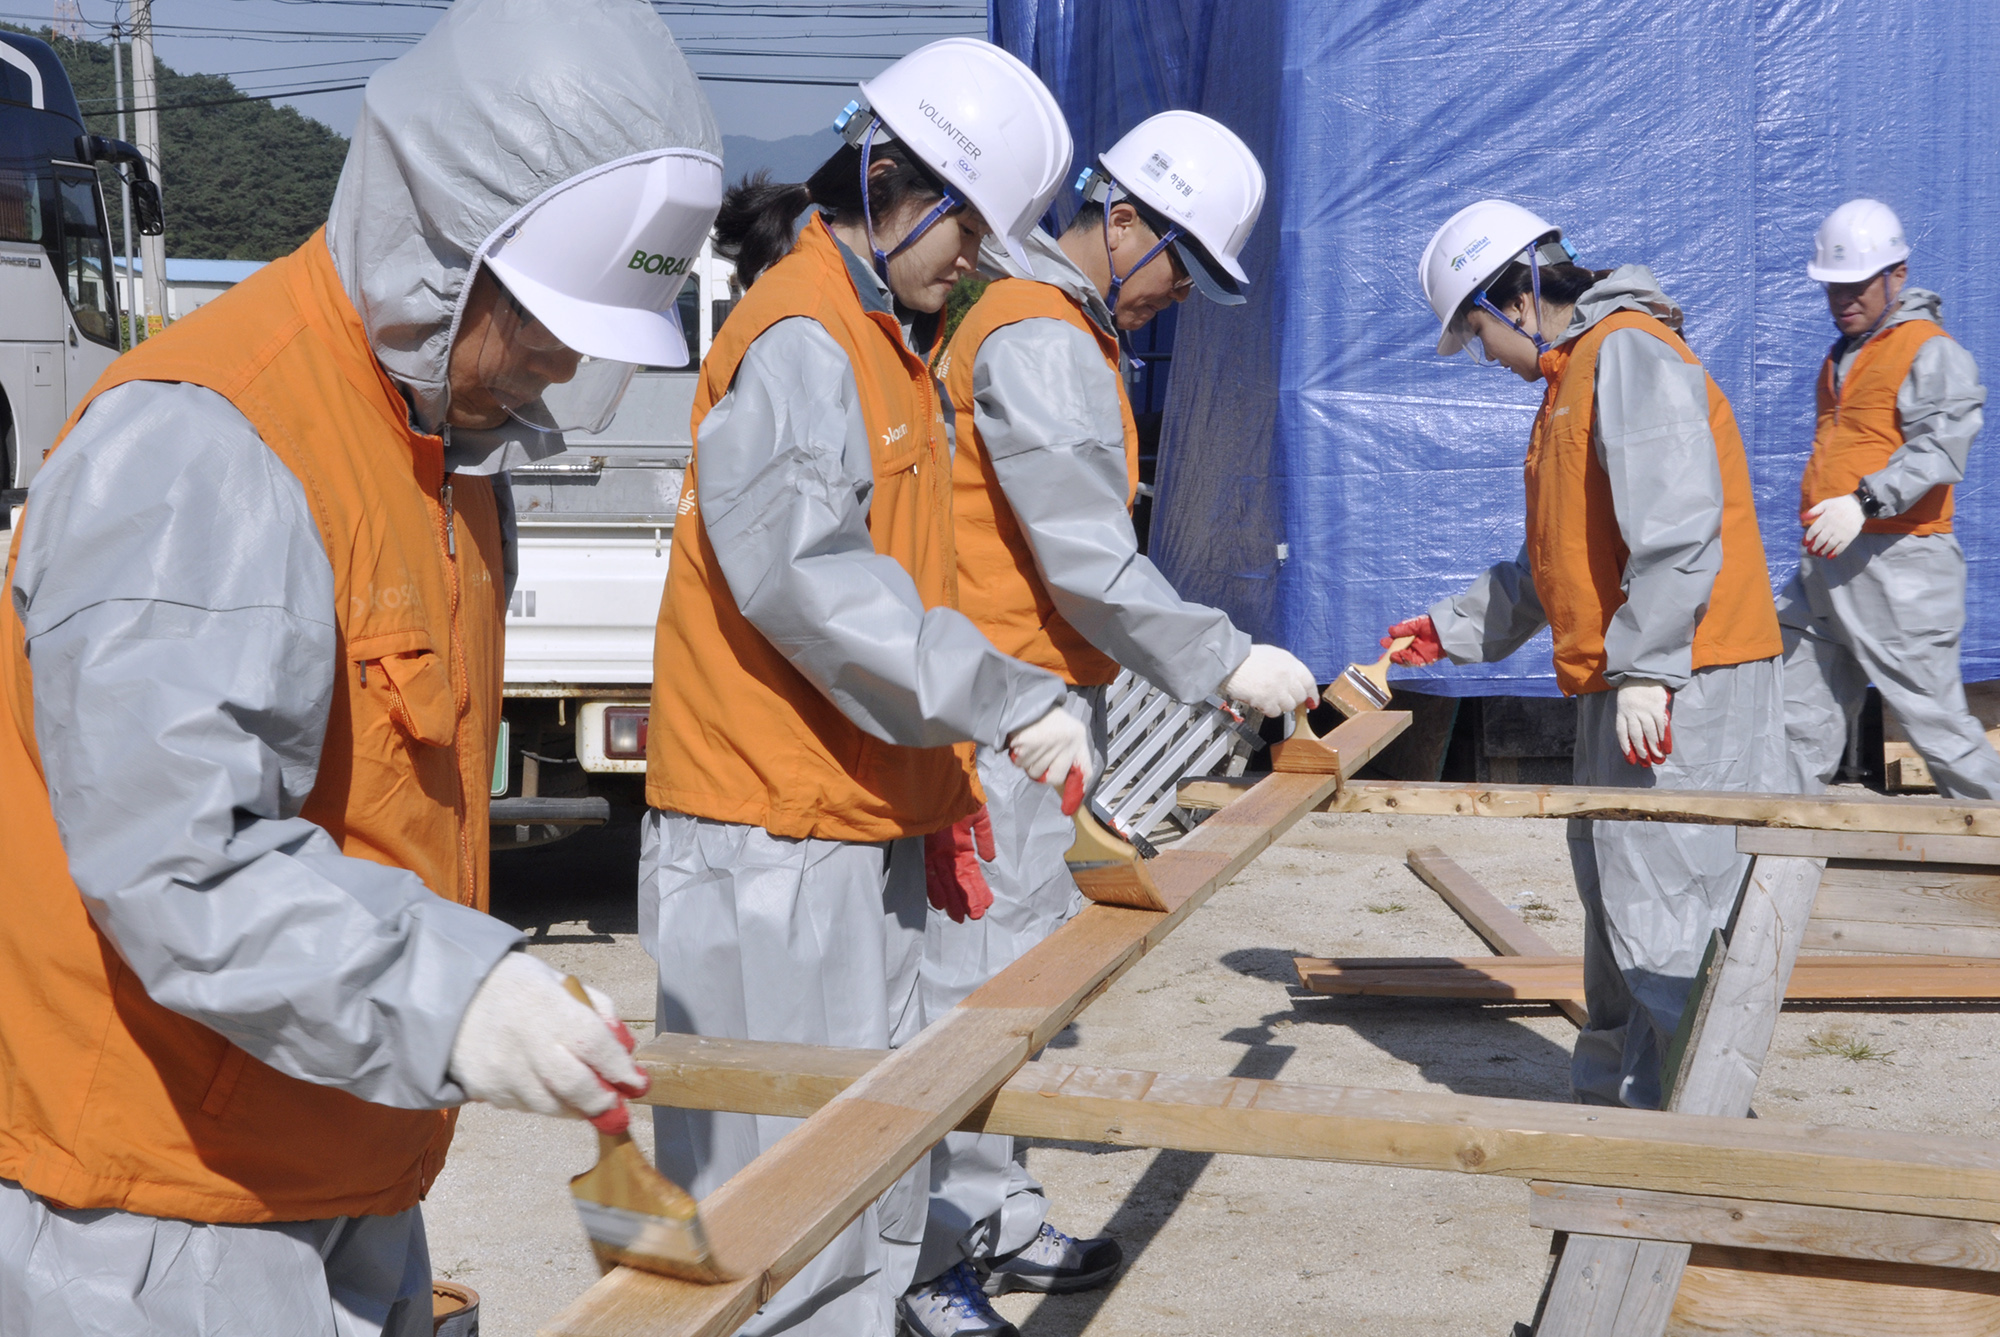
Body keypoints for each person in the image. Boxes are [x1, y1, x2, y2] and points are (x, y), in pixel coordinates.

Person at [0, 1, 722, 1333]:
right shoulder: (204, 446)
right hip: (166, 1205)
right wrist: (458, 990)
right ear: (442, 234)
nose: (565, 359)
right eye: (546, 319)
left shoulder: (440, 448)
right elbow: (179, 863)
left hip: (342, 1146)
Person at [641, 39, 1092, 1337]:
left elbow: (905, 578)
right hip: (768, 834)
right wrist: (1003, 695)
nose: (976, 262)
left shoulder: (886, 338)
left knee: (870, 1175)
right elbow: (810, 580)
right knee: (783, 1210)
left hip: (843, 819)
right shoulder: (802, 335)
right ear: (893, 183)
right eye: (970, 231)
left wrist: (936, 784)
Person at [902, 111, 1316, 1337]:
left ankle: (995, 1210)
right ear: (1122, 218)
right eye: (1179, 263)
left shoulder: (1053, 324)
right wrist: (1225, 658)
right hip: (994, 713)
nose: (1178, 294)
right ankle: (931, 1257)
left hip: (1026, 707)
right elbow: (1086, 561)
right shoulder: (1037, 333)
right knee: (974, 989)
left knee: (1017, 976)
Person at [1386, 200, 1786, 1110]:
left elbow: (1678, 528)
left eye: (1478, 333)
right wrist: (1450, 627)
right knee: (1616, 899)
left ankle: (1704, 1127)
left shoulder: (1628, 354)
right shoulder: (1575, 376)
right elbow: (1560, 561)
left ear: (1516, 298)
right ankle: (1619, 1111)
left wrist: (1648, 669)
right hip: (1640, 675)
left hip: (1687, 677)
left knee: (1666, 907)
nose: (1487, 355)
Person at [1779, 198, 1999, 798]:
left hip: (1901, 566)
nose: (1844, 299)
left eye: (1857, 285)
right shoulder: (1843, 355)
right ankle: (1777, 843)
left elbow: (1941, 448)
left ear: (1896, 275)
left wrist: (1863, 503)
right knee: (1794, 720)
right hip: (1827, 563)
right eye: (1834, 286)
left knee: (1938, 729)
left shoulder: (1930, 350)